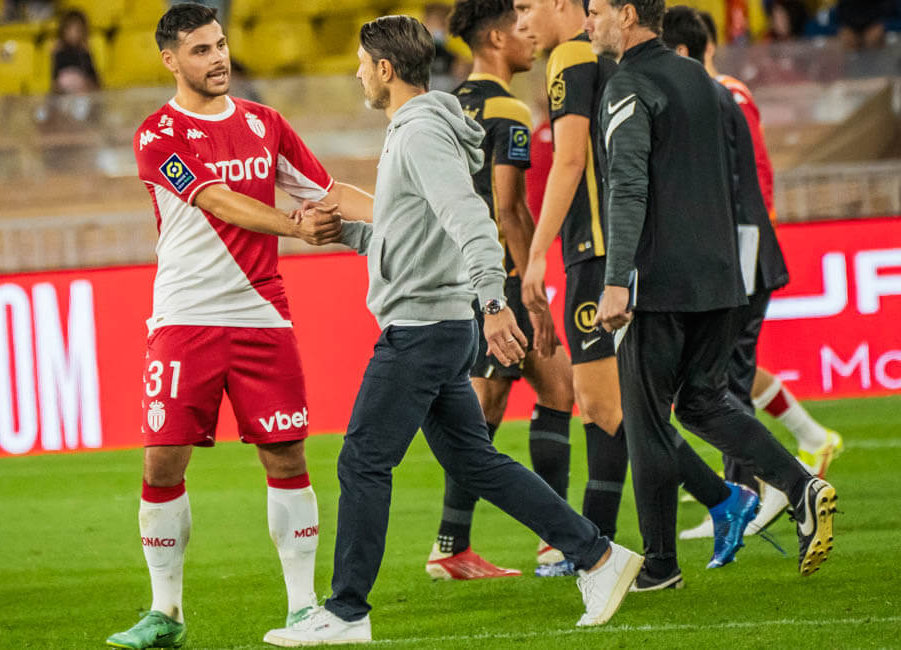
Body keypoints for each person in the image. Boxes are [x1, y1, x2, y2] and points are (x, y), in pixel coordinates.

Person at [263, 16, 642, 646]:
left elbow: (470, 218)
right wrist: (349, 233)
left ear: (385, 69)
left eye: (362, 62)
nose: (357, 72)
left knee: (362, 461)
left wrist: (494, 303)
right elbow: (418, 233)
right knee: (477, 462)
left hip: (421, 329)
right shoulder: (422, 130)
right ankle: (597, 556)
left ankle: (347, 612)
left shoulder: (418, 134)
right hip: (439, 323)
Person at [105, 5, 374, 648]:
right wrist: (294, 226)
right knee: (162, 461)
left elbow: (326, 191)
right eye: (200, 50)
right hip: (185, 317)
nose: (218, 58)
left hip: (261, 315)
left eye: (221, 45)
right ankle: (166, 613)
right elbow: (215, 200)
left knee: (286, 456)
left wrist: (415, 211)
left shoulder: (265, 123)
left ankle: (304, 607)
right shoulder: (157, 135)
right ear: (171, 60)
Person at [585, 0, 838, 587]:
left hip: (659, 280)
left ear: (627, 14)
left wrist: (617, 279)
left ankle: (660, 564)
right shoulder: (705, 82)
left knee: (647, 421)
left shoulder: (627, 84)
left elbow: (628, 186)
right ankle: (800, 485)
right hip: (722, 273)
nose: (587, 22)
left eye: (595, 11)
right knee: (703, 402)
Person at [422, 0, 579, 582]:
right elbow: (509, 207)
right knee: (484, 405)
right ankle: (454, 545)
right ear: (494, 38)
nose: (529, 35)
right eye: (518, 26)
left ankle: (546, 540)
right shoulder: (508, 109)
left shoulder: (445, 105)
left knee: (556, 386)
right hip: (496, 274)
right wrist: (531, 281)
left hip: (453, 267)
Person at [673, 8, 844, 541]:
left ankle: (749, 493)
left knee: (726, 378)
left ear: (681, 52)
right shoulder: (709, 97)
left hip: (742, 254)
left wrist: (748, 246)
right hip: (729, 254)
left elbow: (755, 175)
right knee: (722, 372)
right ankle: (788, 457)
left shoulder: (727, 95)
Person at [511, 0, 631, 575]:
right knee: (606, 402)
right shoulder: (600, 57)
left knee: (602, 403)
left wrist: (537, 255)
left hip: (596, 247)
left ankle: (721, 498)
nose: (520, 24)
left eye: (525, 8)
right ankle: (595, 546)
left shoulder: (570, 57)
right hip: (612, 245)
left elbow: (570, 160)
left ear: (561, 4)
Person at [52, 9, 101, 94]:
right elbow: (54, 83)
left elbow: (96, 82)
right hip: (65, 96)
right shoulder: (58, 53)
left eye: (77, 30)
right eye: (69, 29)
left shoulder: (84, 53)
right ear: (63, 31)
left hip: (83, 95)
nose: (73, 34)